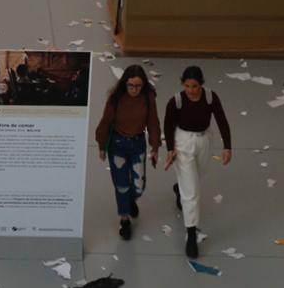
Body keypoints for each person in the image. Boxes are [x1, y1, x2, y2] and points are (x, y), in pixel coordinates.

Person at [163, 65, 232, 259]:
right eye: (187, 85)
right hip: (183, 142)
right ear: (182, 84)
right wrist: (170, 148)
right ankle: (191, 233)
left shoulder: (211, 97)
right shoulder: (176, 101)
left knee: (197, 177)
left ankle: (179, 188)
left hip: (204, 140)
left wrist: (227, 146)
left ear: (201, 84)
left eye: (195, 86)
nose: (191, 90)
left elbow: (221, 120)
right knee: (192, 192)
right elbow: (168, 125)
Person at [95, 64, 161, 240]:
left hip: (137, 143)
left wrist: (155, 147)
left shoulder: (148, 97)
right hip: (117, 144)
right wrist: (101, 145)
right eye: (131, 85)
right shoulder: (116, 98)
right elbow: (106, 121)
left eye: (138, 86)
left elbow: (153, 122)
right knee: (121, 184)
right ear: (125, 84)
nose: (134, 89)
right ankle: (124, 219)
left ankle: (130, 200)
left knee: (139, 185)